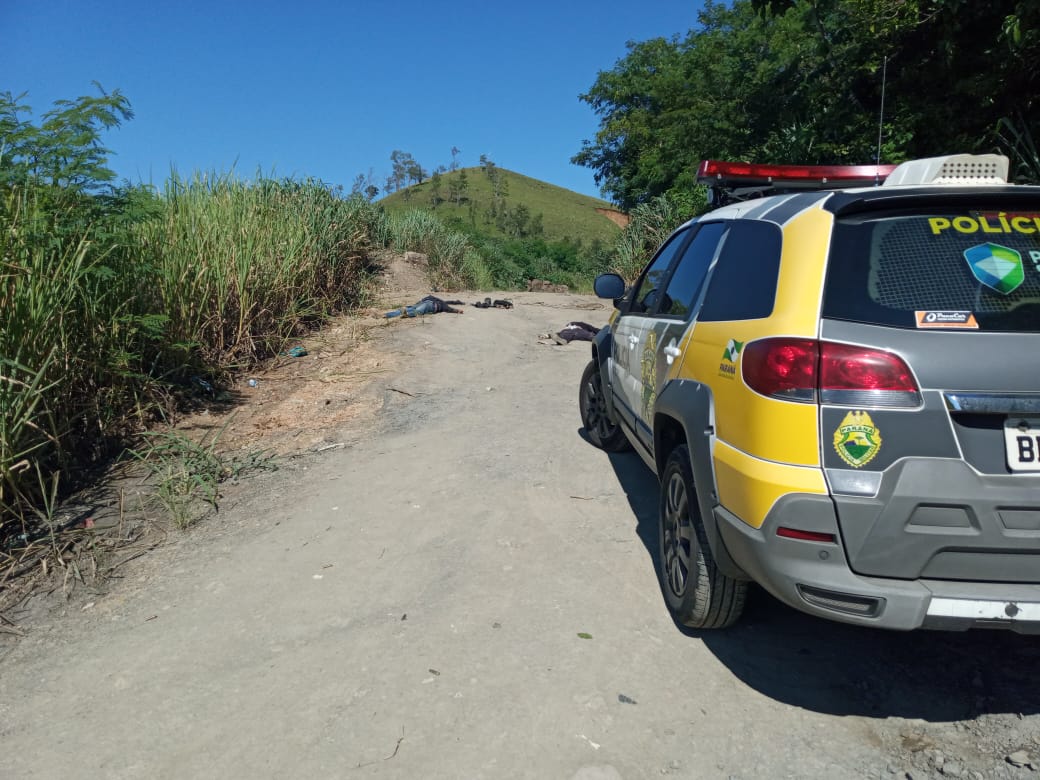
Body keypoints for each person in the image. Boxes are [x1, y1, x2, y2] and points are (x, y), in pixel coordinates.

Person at [384, 295, 465, 319]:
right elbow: (450, 310)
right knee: (419, 311)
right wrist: (458, 311)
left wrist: (418, 302)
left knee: (412, 308)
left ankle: (387, 315)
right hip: (430, 305)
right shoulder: (443, 305)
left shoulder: (434, 298)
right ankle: (408, 314)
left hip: (424, 302)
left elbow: (426, 297)